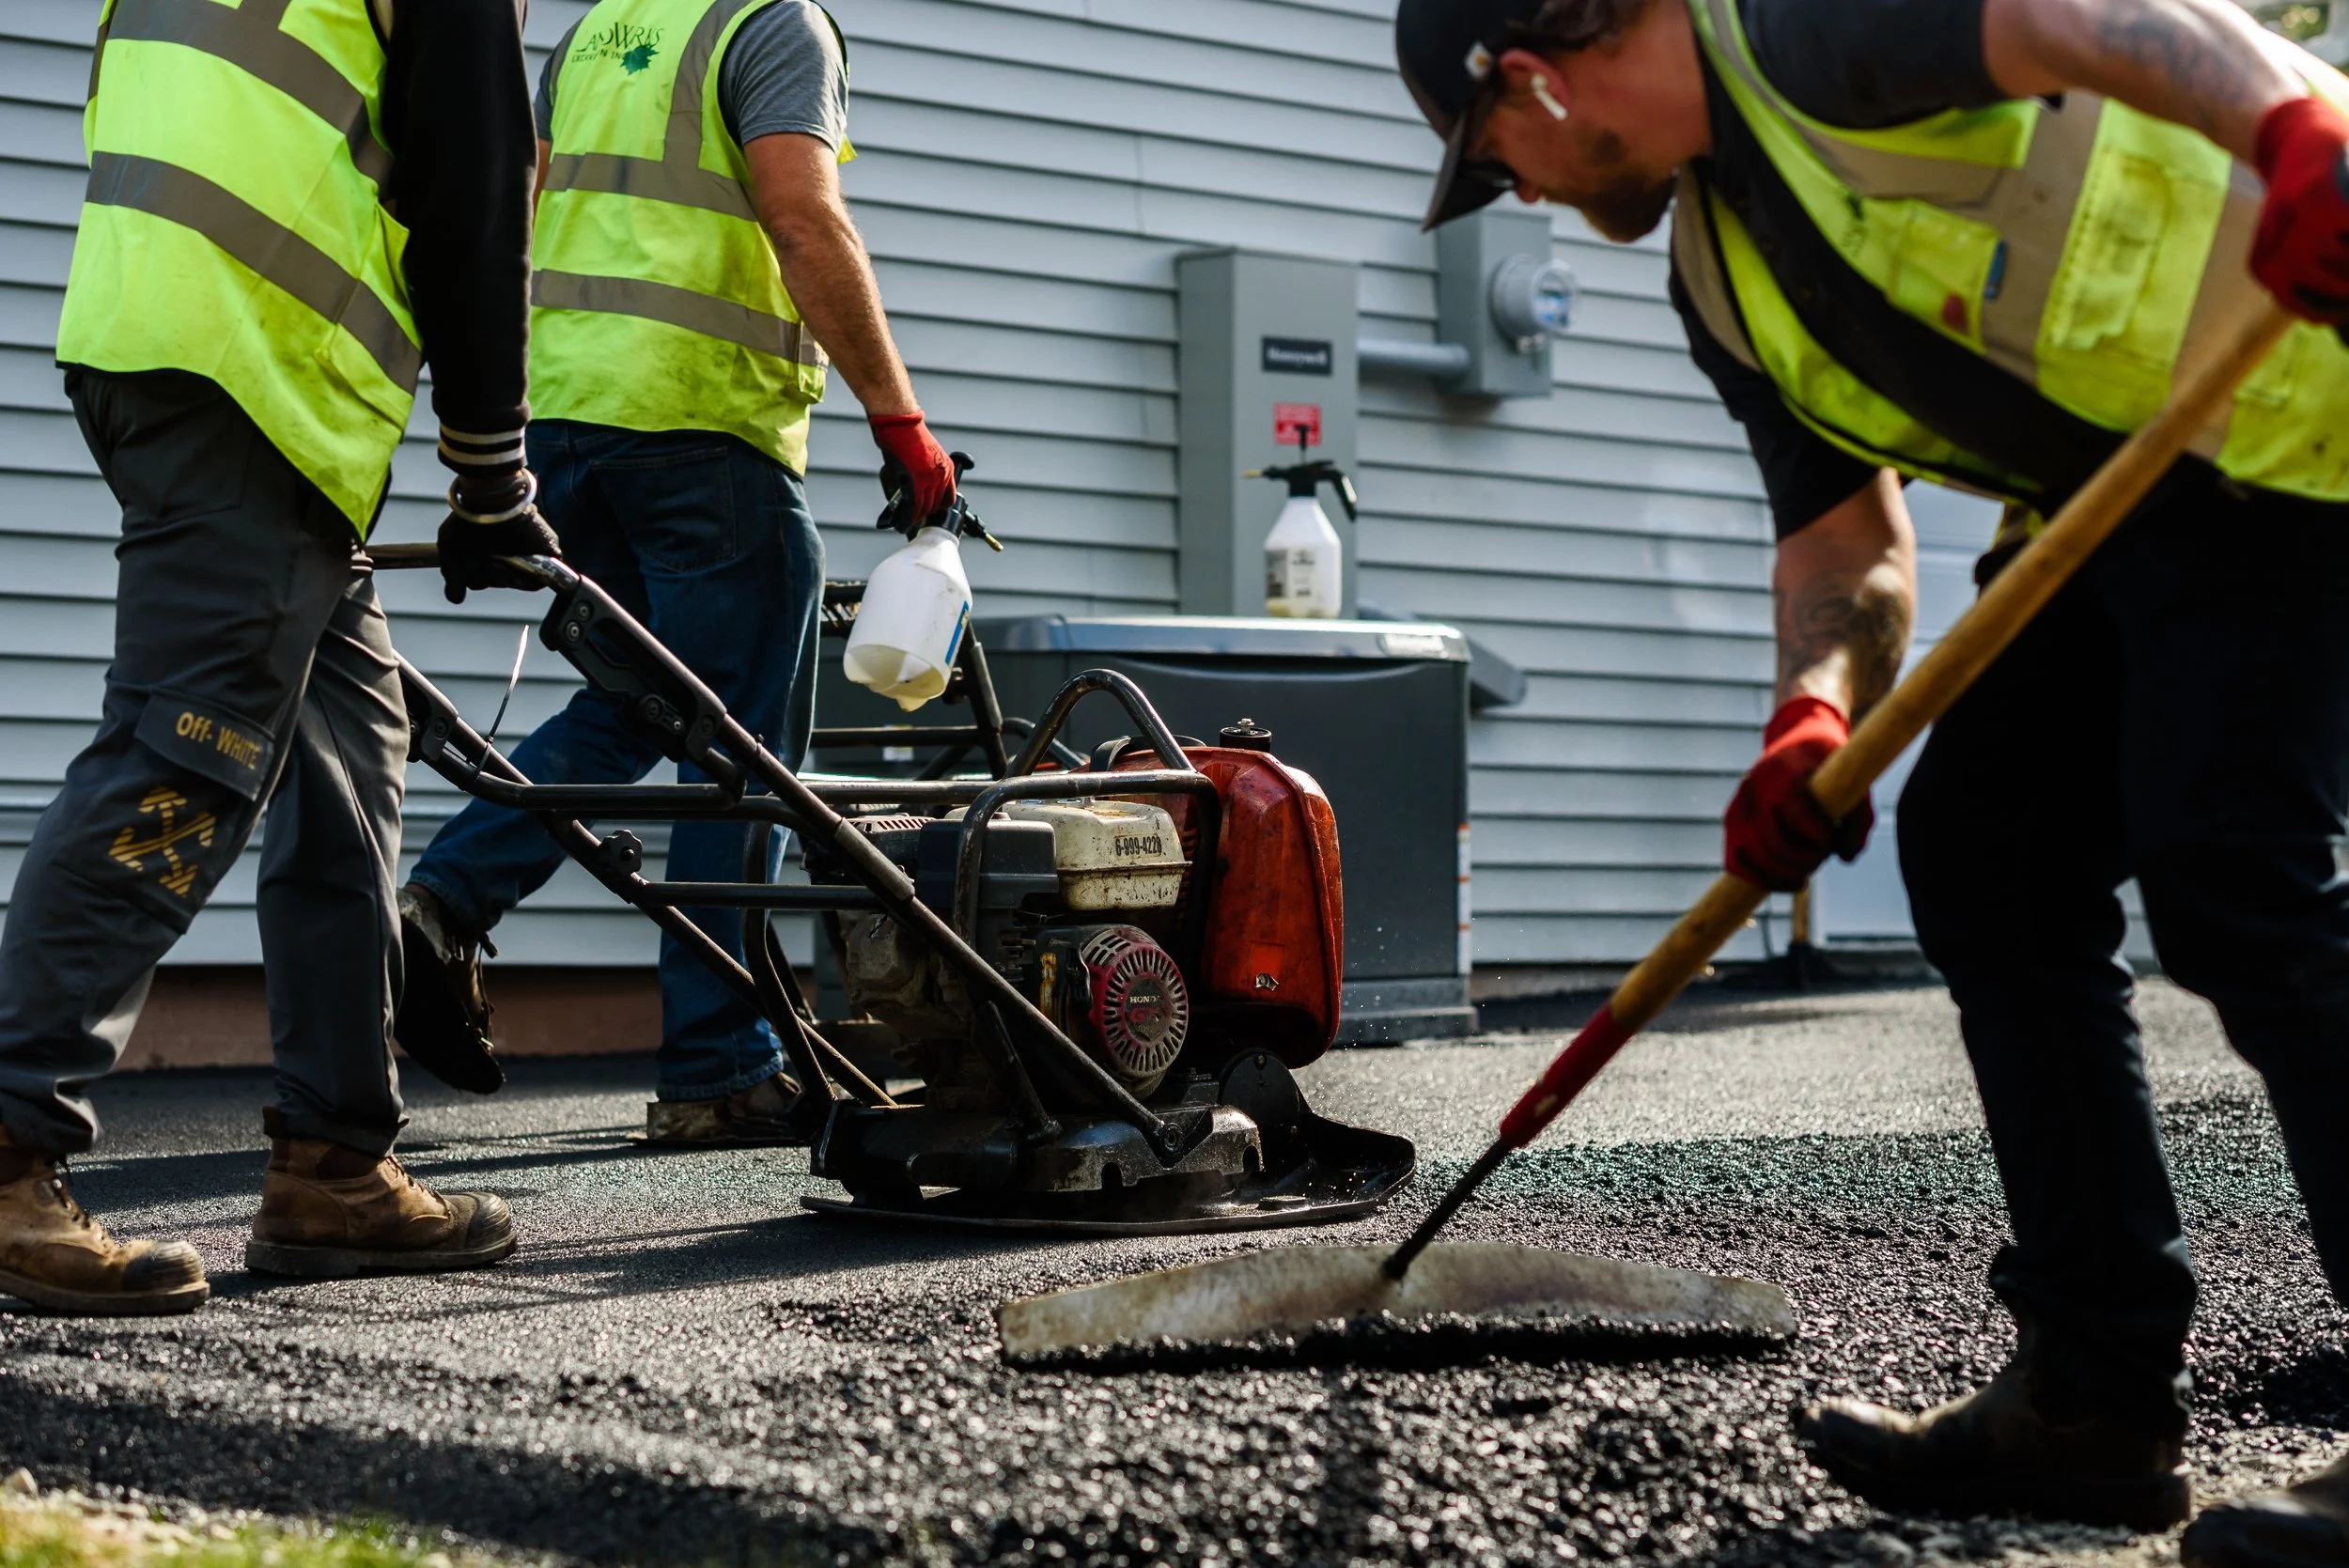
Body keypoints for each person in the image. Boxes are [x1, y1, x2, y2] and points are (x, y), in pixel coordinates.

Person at [1396, 0, 2349, 1559]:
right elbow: (1848, 547)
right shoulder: (1722, 277)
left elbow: (2096, 18)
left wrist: (2296, 133)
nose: (1531, 194)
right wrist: (1811, 724)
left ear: (1533, 78)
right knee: (1985, 855)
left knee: (2237, 872)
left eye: (1496, 161)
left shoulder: (1803, 26)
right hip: (2121, 491)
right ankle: (2096, 1398)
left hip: (2303, 399)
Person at [0, 0, 558, 1315]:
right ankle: (10, 1137)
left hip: (166, 334)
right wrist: (492, 477)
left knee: (350, 752)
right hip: (255, 359)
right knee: (188, 748)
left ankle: (335, 1163)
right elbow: (476, 191)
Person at [391, 0, 957, 1146]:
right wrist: (901, 424)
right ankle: (720, 1064)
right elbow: (804, 219)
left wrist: (495, 437)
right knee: (741, 743)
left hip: (566, 425)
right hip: (699, 430)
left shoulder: (597, 33)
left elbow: (521, 215)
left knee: (634, 704)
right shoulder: (774, 26)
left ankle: (444, 903)